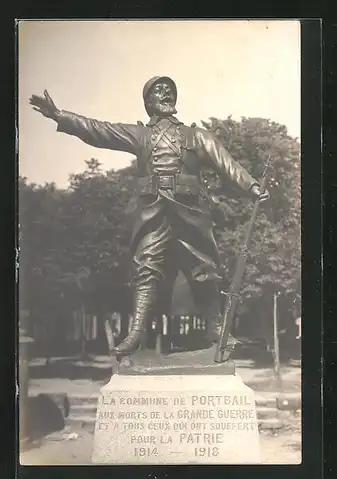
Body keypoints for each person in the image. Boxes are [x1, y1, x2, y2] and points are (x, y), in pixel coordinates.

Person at [29, 76, 269, 360]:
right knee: (145, 266)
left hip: (190, 210)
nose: (166, 93)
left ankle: (216, 328)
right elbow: (100, 131)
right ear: (148, 103)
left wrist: (252, 186)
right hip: (153, 211)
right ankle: (137, 331)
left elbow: (227, 164)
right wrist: (61, 116)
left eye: (170, 90)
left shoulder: (197, 136)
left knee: (204, 268)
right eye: (159, 90)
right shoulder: (139, 135)